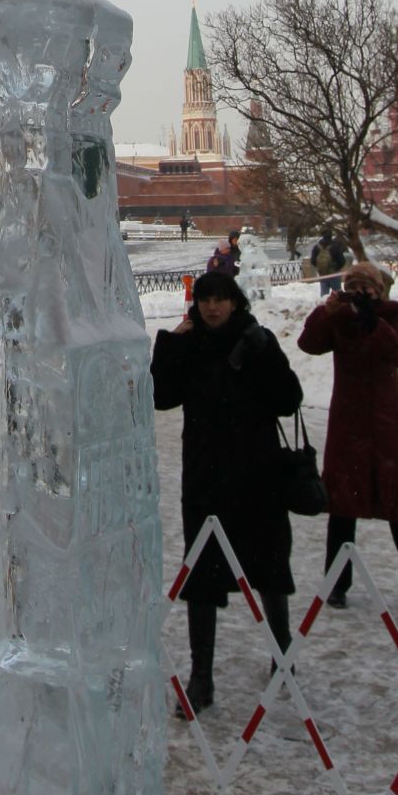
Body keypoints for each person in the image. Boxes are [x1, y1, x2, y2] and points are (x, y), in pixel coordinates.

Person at [152, 273, 304, 712]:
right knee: (201, 577)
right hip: (205, 478)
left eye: (220, 300)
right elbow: (161, 397)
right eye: (205, 300)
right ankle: (201, 678)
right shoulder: (191, 344)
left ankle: (282, 651)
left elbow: (288, 399)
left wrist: (265, 357)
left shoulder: (257, 339)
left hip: (258, 474)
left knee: (271, 566)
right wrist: (168, 345)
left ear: (234, 302)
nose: (212, 308)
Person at [297, 260, 398, 616]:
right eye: (355, 286)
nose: (361, 293)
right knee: (342, 507)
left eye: (367, 288)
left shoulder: (392, 319)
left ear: (380, 291)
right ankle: (336, 585)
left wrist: (379, 325)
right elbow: (309, 344)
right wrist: (326, 313)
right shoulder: (339, 322)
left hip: (389, 428)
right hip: (348, 425)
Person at [309, 224, 350, 297]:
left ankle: (325, 306)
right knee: (338, 295)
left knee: (324, 295)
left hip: (323, 275)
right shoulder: (335, 246)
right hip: (334, 274)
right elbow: (342, 261)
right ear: (331, 235)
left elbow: (312, 260)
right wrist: (336, 268)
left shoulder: (317, 247)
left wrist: (320, 267)